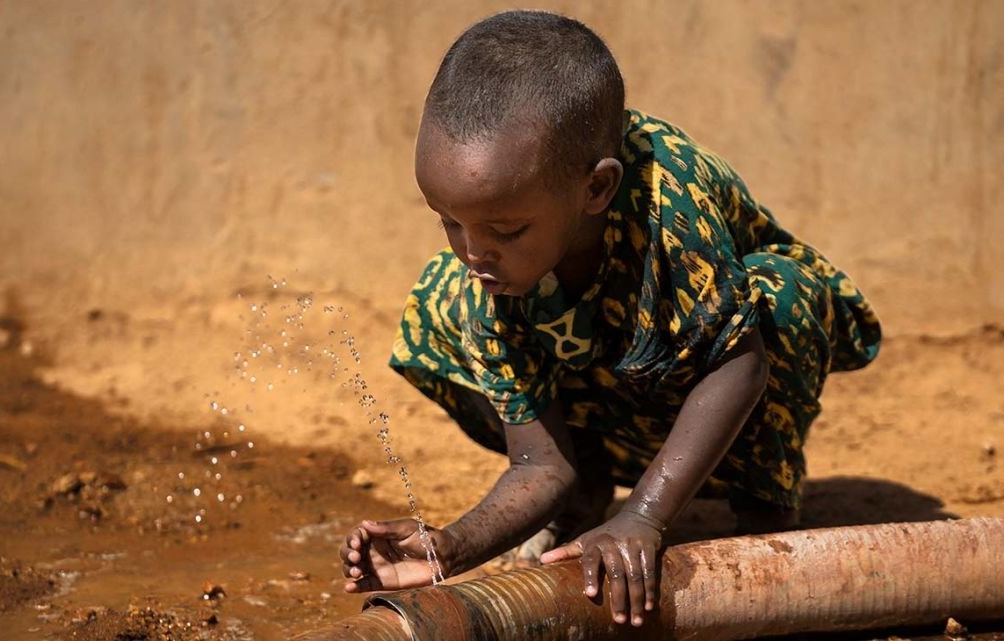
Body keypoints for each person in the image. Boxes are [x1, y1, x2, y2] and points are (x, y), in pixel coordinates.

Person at [339, 9, 881, 628]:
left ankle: (761, 508)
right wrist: (450, 547)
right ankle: (589, 489)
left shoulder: (669, 204)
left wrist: (647, 514)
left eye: (506, 230)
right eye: (449, 221)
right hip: (621, 388)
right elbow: (538, 463)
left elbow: (741, 364)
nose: (473, 250)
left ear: (596, 189)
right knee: (440, 296)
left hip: (714, 390)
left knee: (782, 296)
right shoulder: (490, 274)